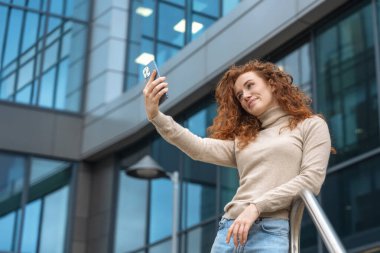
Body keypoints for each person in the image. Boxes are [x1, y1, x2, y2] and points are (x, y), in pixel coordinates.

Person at [143, 59, 332, 252]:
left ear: (272, 84)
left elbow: (311, 180)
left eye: (250, 86)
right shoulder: (245, 140)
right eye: (240, 95)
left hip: (270, 231)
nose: (246, 96)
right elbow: (198, 148)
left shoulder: (311, 125)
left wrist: (256, 207)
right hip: (229, 231)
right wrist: (155, 116)